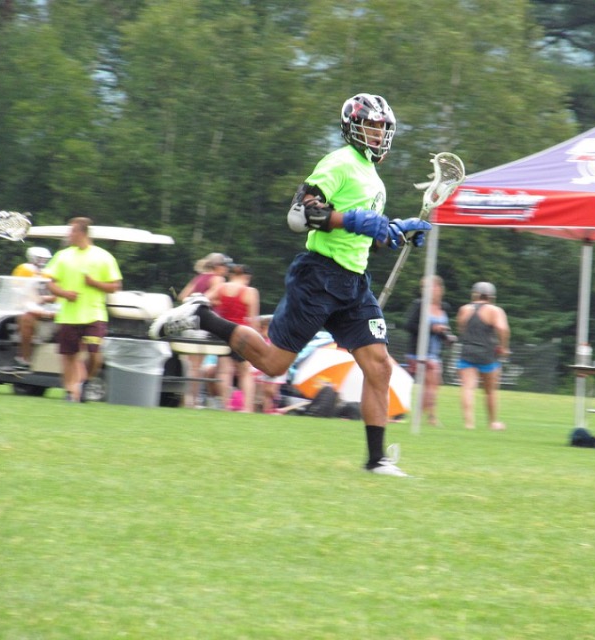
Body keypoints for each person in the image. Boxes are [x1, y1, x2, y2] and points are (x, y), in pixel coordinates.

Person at [150, 93, 431, 476]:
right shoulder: (339, 162)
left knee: (379, 367)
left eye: (383, 128)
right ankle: (203, 315)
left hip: (353, 284)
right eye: (371, 126)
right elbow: (300, 215)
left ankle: (376, 460)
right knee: (273, 364)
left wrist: (395, 232)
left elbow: (364, 238)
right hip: (319, 278)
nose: (378, 134)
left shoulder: (374, 178)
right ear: (352, 127)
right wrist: (353, 220)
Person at [44, 217, 123, 402]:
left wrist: (94, 283)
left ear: (82, 233)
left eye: (72, 231)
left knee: (94, 353)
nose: (69, 235)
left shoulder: (103, 256)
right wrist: (64, 293)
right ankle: (71, 391)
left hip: (94, 315)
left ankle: (85, 381)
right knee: (69, 355)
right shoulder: (62, 256)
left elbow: (115, 286)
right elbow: (50, 283)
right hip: (68, 316)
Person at [176, 252, 230, 408]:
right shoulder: (218, 279)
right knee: (197, 365)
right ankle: (194, 401)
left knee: (191, 365)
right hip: (202, 323)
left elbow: (182, 296)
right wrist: (217, 302)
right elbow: (207, 298)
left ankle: (187, 399)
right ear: (217, 266)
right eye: (225, 266)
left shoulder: (199, 277)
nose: (227, 269)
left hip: (188, 321)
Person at [455, 281, 510, 431]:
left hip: (467, 352)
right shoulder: (494, 310)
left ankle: (469, 424)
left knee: (468, 388)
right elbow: (503, 328)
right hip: (487, 353)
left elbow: (461, 328)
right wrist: (504, 346)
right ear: (491, 296)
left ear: (475, 295)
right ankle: (492, 422)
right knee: (490, 391)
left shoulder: (464, 309)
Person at [404, 275, 455, 427]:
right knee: (431, 385)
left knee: (433, 386)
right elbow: (409, 325)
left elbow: (441, 330)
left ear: (439, 288)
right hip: (419, 352)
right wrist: (432, 328)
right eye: (424, 287)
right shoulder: (419, 305)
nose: (426, 290)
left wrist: (446, 336)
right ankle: (429, 417)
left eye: (430, 287)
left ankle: (423, 415)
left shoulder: (444, 307)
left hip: (435, 353)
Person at [211, 264, 260, 413]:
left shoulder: (220, 288)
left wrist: (216, 304)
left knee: (224, 372)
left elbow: (204, 300)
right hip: (241, 334)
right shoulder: (250, 291)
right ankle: (247, 407)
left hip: (223, 332)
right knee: (245, 372)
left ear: (232, 275)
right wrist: (256, 339)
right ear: (247, 277)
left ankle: (225, 406)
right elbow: (253, 319)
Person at [11, 246, 58, 368]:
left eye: (45, 259)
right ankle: (25, 357)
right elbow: (18, 290)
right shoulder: (24, 269)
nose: (43, 261)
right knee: (26, 318)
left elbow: (55, 293)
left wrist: (44, 299)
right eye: (40, 258)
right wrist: (34, 299)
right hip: (28, 306)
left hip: (47, 307)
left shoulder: (49, 272)